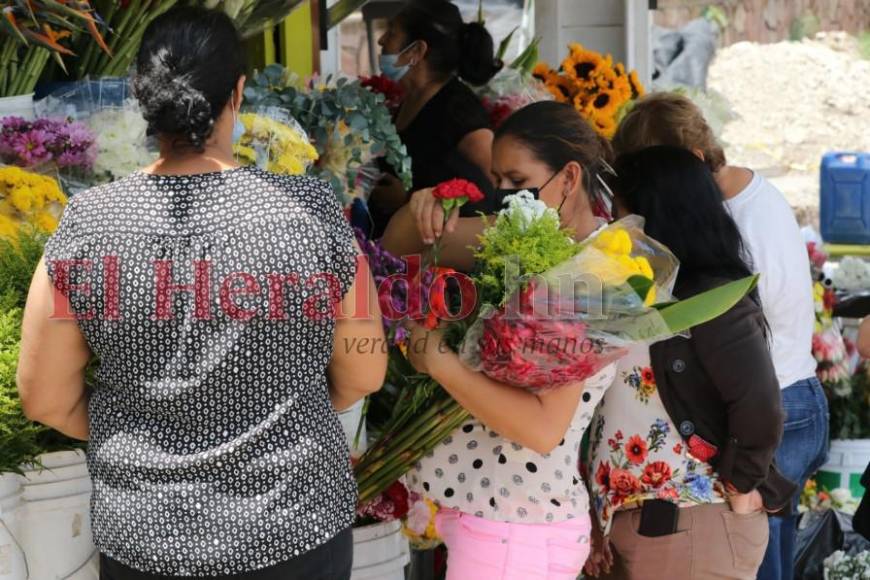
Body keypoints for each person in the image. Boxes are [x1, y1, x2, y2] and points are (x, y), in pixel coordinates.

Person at [16, 7, 386, 579]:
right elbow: (363, 372)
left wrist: (149, 430)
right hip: (293, 525)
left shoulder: (86, 226)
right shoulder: (311, 214)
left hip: (147, 538)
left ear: (142, 97)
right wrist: (275, 416)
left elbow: (45, 398)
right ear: (237, 93)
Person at [386, 101, 617, 579]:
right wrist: (423, 205)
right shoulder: (520, 238)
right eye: (497, 181)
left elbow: (542, 429)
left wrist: (441, 362)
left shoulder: (588, 273)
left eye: (517, 180)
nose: (504, 195)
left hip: (516, 529)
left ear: (568, 178)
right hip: (500, 520)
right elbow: (396, 250)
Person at [612, 92, 826, 580]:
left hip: (771, 404)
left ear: (684, 166)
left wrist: (742, 480)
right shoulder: (743, 194)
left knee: (751, 555)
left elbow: (736, 353)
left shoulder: (734, 226)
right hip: (777, 396)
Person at [583, 146, 796, 580]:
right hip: (642, 528)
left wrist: (740, 485)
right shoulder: (636, 293)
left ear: (660, 217)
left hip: (691, 526)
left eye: (623, 215)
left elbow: (760, 407)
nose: (613, 227)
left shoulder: (712, 301)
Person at [367, 0, 503, 238]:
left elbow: (495, 191)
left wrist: (408, 200)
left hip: (440, 259)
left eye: (392, 32)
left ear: (416, 51)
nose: (381, 40)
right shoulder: (410, 99)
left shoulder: (459, 112)